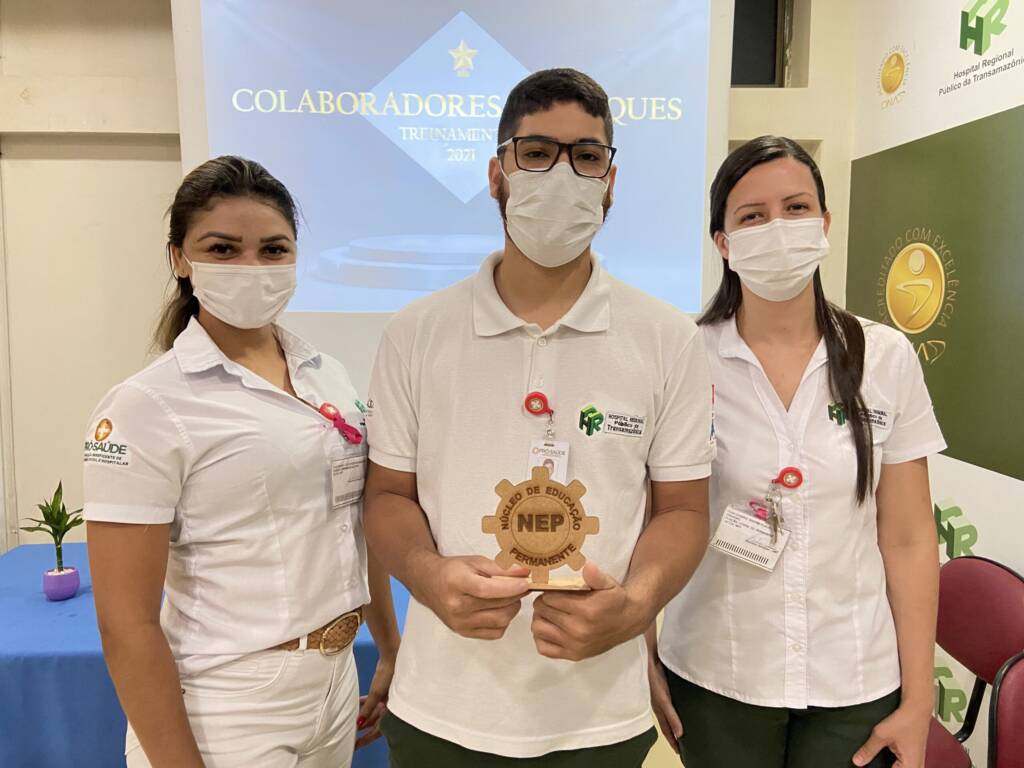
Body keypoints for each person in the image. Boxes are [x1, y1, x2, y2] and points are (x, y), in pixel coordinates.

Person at [363, 68, 714, 767]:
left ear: (610, 182)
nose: (562, 174)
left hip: (598, 716)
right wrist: (426, 575)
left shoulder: (667, 338)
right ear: (497, 174)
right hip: (442, 707)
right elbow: (386, 497)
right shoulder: (416, 333)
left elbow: (683, 509)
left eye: (586, 156)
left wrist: (637, 604)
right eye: (536, 153)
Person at [84, 156, 400, 768]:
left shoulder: (326, 375)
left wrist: (389, 645)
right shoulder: (147, 405)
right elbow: (125, 625)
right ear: (180, 258)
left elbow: (358, 522)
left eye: (273, 250)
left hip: (335, 682)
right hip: (227, 701)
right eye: (223, 249)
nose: (251, 268)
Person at [649, 136, 946, 768]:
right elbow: (652, 518)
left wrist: (920, 699)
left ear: (824, 224)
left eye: (795, 208)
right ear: (723, 242)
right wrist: (640, 651)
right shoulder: (684, 358)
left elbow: (909, 537)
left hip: (855, 679)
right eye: (752, 216)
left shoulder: (885, 357)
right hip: (718, 674)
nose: (778, 228)